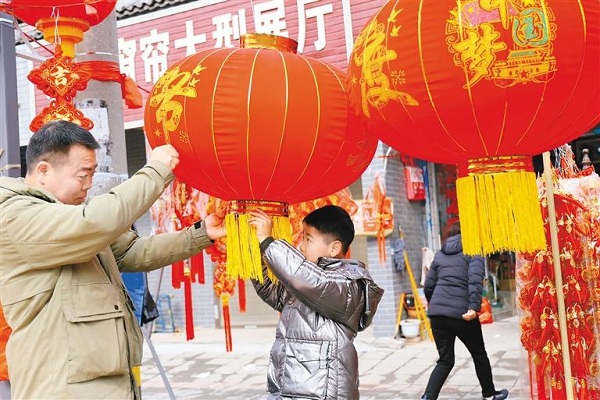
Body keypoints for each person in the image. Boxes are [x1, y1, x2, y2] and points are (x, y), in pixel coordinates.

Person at [0, 120, 226, 399]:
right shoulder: (15, 214)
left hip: (98, 379)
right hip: (62, 386)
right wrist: (155, 172)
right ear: (44, 171)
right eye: (83, 175)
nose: (89, 185)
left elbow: (134, 252)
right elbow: (96, 221)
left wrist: (201, 234)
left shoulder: (69, 217)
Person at [248, 205, 384, 399]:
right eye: (302, 238)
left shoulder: (348, 284)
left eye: (308, 239)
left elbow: (310, 280)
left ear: (334, 248)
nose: (301, 246)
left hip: (323, 394)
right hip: (287, 390)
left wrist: (269, 243)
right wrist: (255, 249)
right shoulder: (304, 281)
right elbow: (273, 290)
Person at [421, 222, 508, 400]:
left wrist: (436, 306)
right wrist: (474, 308)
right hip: (462, 314)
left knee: (445, 360)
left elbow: (429, 285)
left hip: (438, 315)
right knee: (479, 354)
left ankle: (428, 398)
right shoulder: (472, 251)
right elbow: (475, 281)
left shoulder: (439, 255)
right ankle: (489, 395)